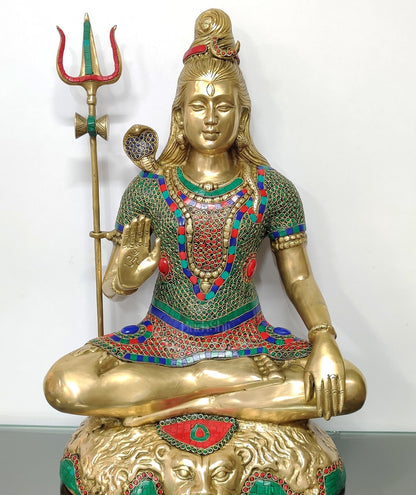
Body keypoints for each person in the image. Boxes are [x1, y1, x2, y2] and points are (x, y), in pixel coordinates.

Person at [44, 9, 365, 425]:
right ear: (179, 115)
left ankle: (188, 400)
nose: (211, 119)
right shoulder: (149, 189)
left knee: (350, 385)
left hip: (247, 339)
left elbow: (299, 278)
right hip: (163, 339)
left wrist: (323, 338)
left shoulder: (272, 190)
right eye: (199, 105)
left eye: (223, 106)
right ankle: (211, 382)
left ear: (242, 115)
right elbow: (111, 287)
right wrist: (124, 278)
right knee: (65, 383)